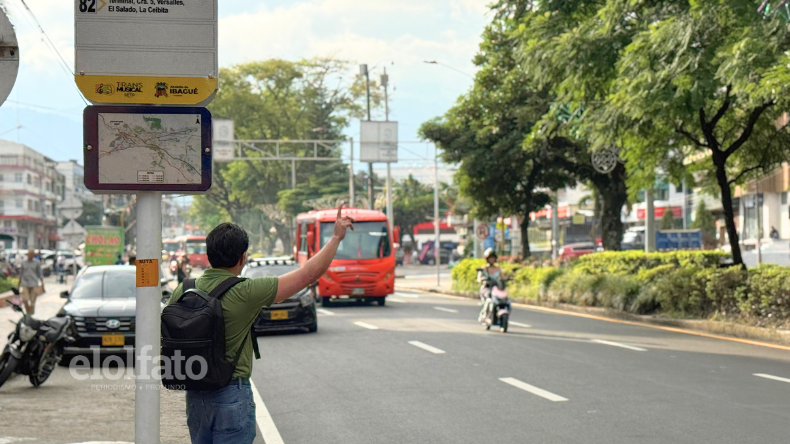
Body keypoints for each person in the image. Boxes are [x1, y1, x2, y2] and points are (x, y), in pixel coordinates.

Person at [167, 205, 354, 444]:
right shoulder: (245, 290)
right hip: (231, 392)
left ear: (208, 254)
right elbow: (308, 275)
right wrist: (336, 237)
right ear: (242, 257)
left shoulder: (183, 289)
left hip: (195, 397)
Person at [19, 249, 44, 315]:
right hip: (25, 283)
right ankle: (27, 313)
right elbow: (21, 273)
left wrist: (42, 284)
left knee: (32, 301)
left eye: (31, 254)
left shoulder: (37, 262)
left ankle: (30, 315)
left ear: (33, 255)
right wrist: (18, 284)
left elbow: (39, 274)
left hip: (34, 283)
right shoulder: (24, 262)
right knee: (25, 299)